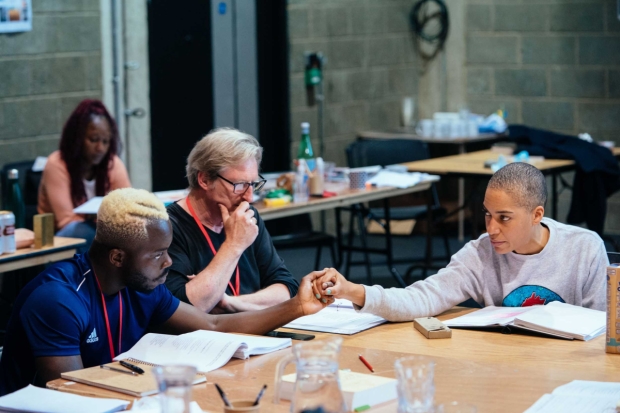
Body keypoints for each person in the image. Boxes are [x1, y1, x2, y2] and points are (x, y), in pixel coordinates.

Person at [0, 188, 331, 395]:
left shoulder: (141, 285)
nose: (168, 262)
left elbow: (214, 325)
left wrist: (297, 306)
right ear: (118, 257)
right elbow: (71, 394)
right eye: (158, 254)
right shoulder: (58, 300)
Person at [314, 162, 608, 321]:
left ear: (536, 215)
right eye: (487, 214)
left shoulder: (584, 248)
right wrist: (355, 291)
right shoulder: (481, 252)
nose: (491, 228)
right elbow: (423, 297)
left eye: (504, 217)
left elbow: (603, 328)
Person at [165, 128, 299, 313]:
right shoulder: (168, 227)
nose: (249, 197)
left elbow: (287, 289)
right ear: (204, 180)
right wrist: (234, 245)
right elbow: (186, 309)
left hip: (255, 333)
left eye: (253, 184)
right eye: (240, 185)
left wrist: (230, 303)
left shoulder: (248, 216)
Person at [38, 99, 131, 247]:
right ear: (77, 137)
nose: (100, 148)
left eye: (106, 142)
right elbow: (66, 221)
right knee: (82, 230)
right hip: (58, 240)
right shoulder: (57, 163)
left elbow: (128, 207)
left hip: (98, 230)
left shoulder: (113, 163)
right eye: (93, 140)